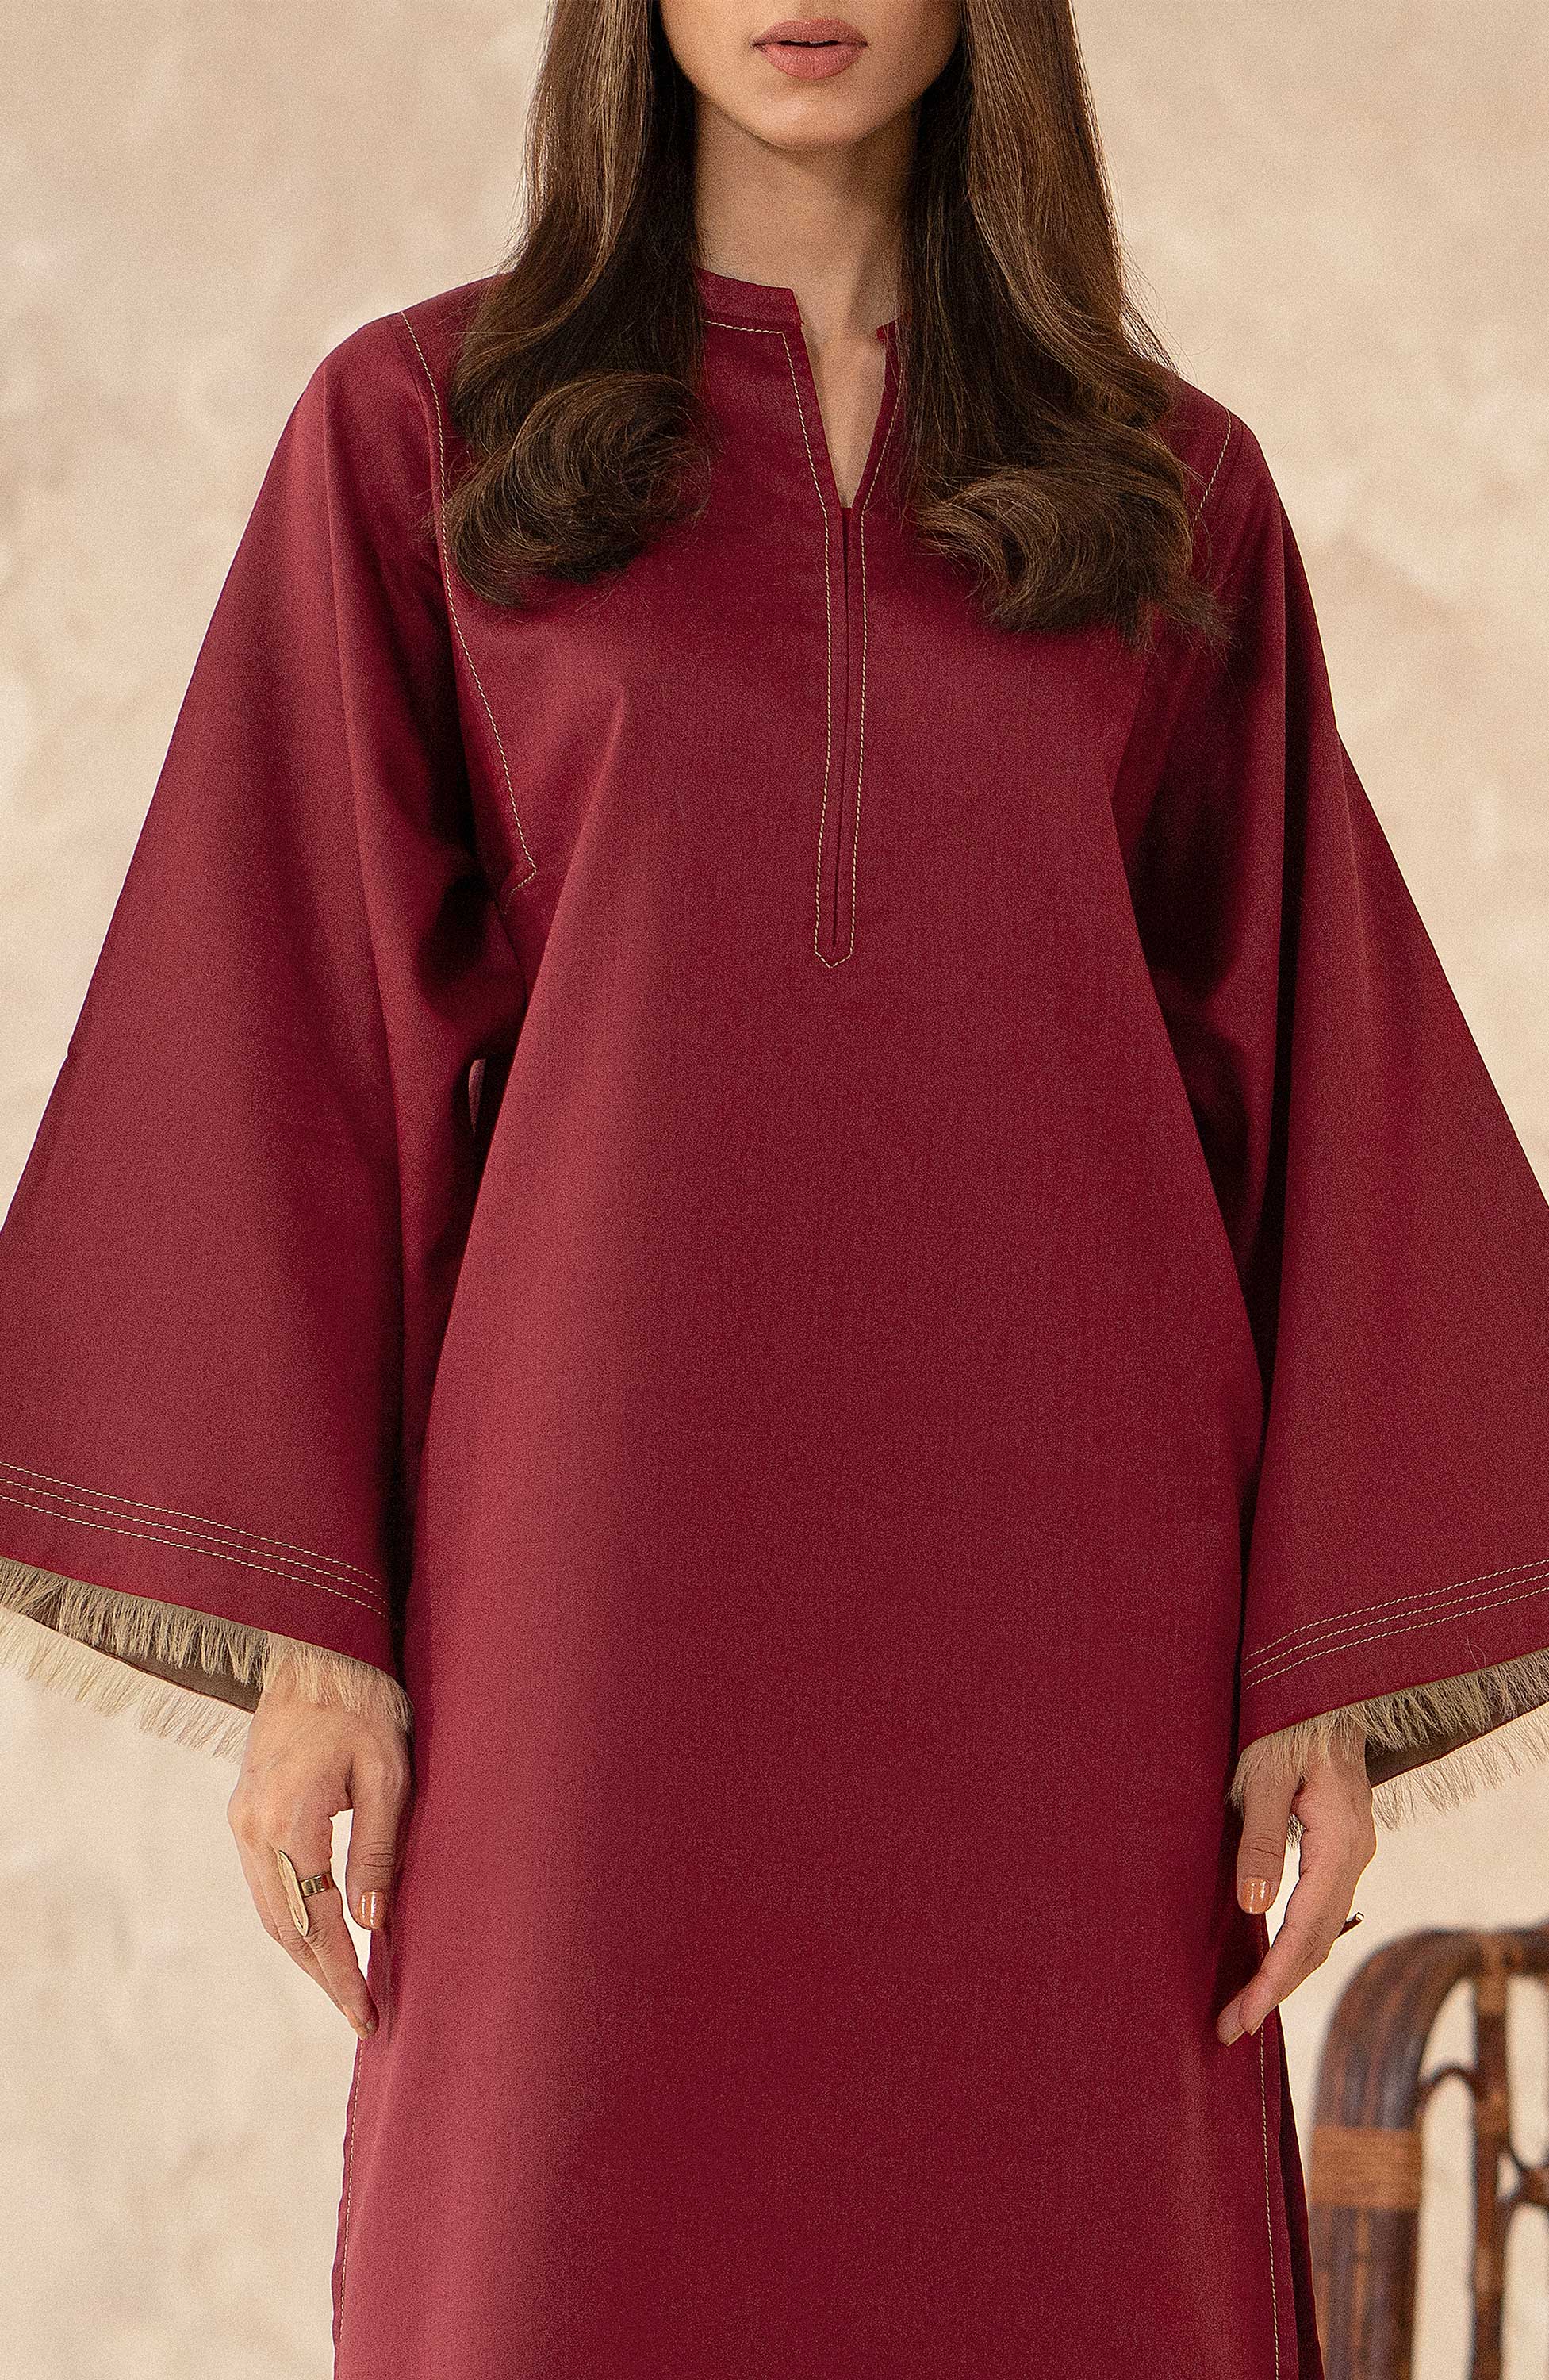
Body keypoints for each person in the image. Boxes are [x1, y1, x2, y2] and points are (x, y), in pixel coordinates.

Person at [2, 3, 1547, 2373]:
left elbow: (1305, 1058)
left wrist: (1308, 1677)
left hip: (1073, 1623)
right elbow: (290, 1001)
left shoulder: (1161, 491)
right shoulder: (427, 438)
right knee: (547, 2254)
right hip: (582, 1591)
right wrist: (320, 1636)